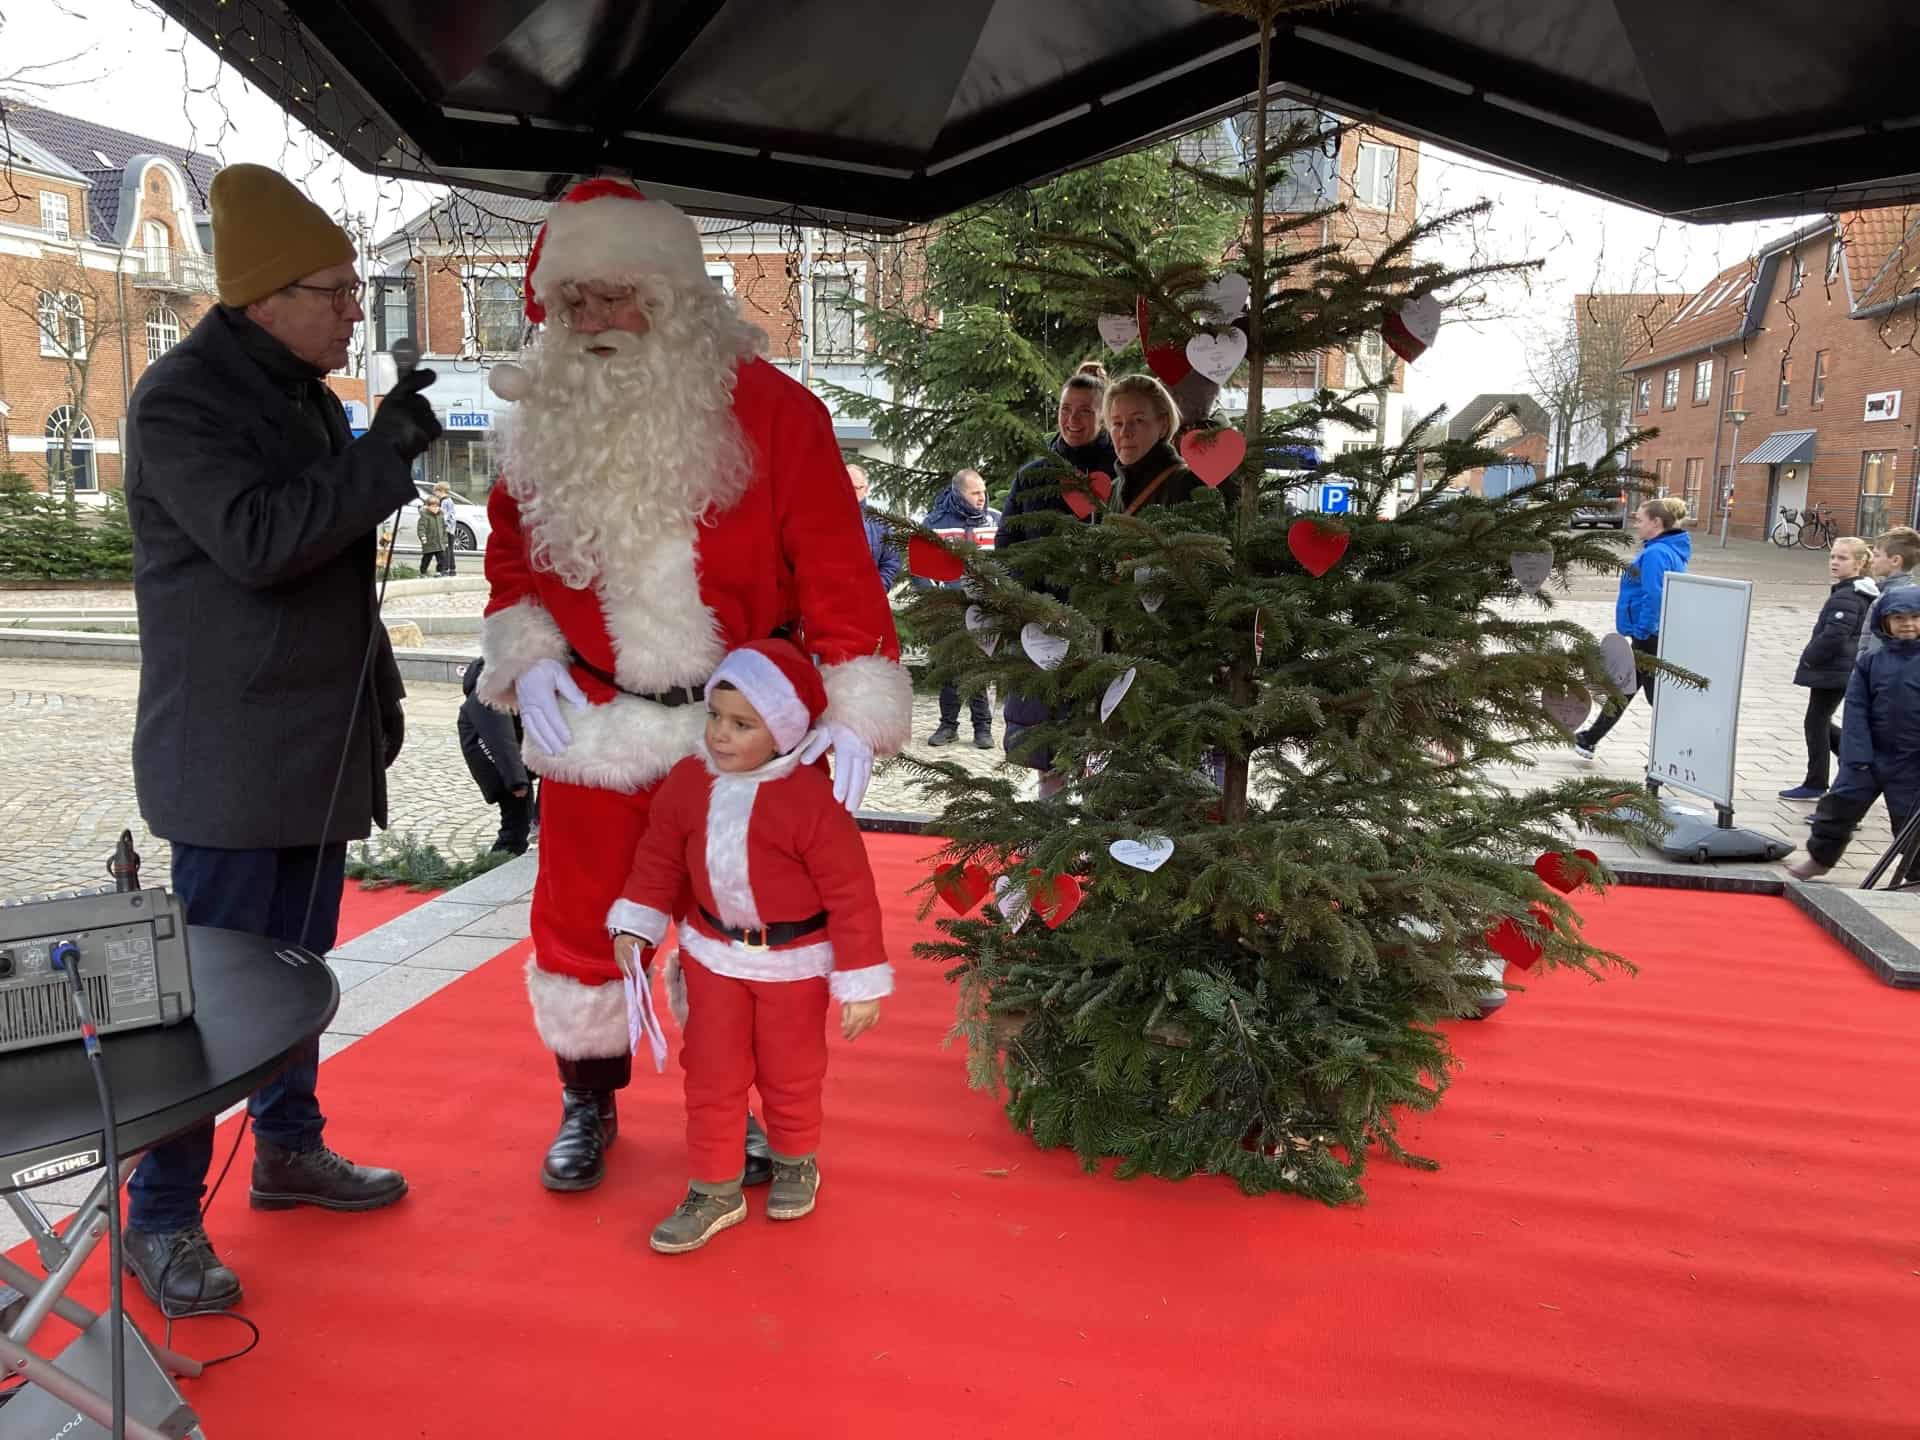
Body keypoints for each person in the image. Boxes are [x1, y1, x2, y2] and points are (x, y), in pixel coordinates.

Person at [474, 178, 910, 1193]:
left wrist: (852, 701)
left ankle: (753, 1110)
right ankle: (588, 1101)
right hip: (594, 724)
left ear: (674, 297)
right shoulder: (539, 421)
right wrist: (528, 654)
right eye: (572, 303)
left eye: (616, 298)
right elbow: (508, 560)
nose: (592, 324)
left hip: (738, 733)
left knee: (741, 930)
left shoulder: (775, 413)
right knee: (581, 921)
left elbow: (837, 565)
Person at [121, 163, 432, 1316]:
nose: (356, 307)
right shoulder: (182, 400)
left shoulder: (300, 391)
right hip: (232, 758)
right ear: (263, 296)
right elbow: (259, 541)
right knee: (210, 1001)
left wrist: (380, 692)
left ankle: (290, 1150)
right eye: (336, 289)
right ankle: (159, 1217)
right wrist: (381, 458)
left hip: (314, 741)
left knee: (295, 975)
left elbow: (329, 563)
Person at [608, 639, 890, 1253]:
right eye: (714, 716)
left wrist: (862, 979)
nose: (720, 735)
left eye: (742, 725)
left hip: (794, 965)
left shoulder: (812, 800)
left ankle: (794, 1159)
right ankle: (714, 1187)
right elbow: (658, 860)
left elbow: (851, 893)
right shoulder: (688, 782)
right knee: (711, 1071)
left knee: (791, 1070)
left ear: (785, 732)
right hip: (713, 955)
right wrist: (637, 924)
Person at [997, 364, 1118, 792]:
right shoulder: (1033, 474)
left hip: (1104, 628)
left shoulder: (1121, 472)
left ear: (1103, 416)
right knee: (1045, 735)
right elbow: (1006, 545)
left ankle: (1095, 830)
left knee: (1098, 733)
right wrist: (1027, 603)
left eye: (1085, 411)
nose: (1072, 420)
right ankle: (1049, 828)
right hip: (1041, 626)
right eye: (1066, 409)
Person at [1788, 587, 1920, 880]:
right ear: (1884, 622)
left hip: (1912, 761)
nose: (1907, 624)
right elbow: (1856, 709)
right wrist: (1855, 756)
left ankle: (1914, 874)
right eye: (1898, 618)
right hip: (1869, 757)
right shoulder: (1871, 662)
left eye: (1915, 617)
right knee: (1837, 808)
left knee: (1911, 819)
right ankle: (1820, 859)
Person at [1573, 497, 1691, 760]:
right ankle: (1589, 739)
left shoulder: (1656, 554)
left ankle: (1679, 754)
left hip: (1649, 635)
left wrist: (1641, 630)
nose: (1636, 524)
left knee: (1656, 699)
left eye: (1640, 519)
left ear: (1657, 522)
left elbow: (1654, 595)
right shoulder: (1668, 550)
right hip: (1653, 633)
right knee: (1626, 688)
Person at [1779, 536, 1878, 801]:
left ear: (1859, 563)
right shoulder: (1854, 591)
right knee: (1819, 721)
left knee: (1816, 722)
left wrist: (1810, 658)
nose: (1834, 562)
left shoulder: (1849, 595)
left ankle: (1818, 781)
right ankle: (1859, 765)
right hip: (1839, 669)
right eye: (1833, 556)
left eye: (1842, 558)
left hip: (1835, 670)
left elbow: (1835, 635)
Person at [915, 468, 1000, 748]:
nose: (981, 498)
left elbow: (1010, 561)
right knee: (949, 668)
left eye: (984, 492)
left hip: (984, 611)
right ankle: (948, 726)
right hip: (948, 611)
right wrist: (936, 600)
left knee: (977, 668)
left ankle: (982, 728)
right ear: (959, 493)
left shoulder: (996, 520)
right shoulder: (934, 523)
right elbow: (918, 567)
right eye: (975, 493)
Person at [459, 656, 536, 854]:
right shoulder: (490, 694)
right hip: (499, 765)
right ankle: (496, 867)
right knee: (515, 825)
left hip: (509, 762)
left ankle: (508, 858)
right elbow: (499, 739)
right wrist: (516, 781)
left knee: (520, 821)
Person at [1858, 526, 1920, 663]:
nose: (1872, 560)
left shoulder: (1889, 600)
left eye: (1877, 555)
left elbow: (1875, 647)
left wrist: (1864, 673)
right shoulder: (1911, 594)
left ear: (1895, 560)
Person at [849, 464, 902, 590]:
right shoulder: (823, 520)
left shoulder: (880, 523)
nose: (850, 491)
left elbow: (891, 563)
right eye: (846, 486)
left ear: (866, 489)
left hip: (867, 602)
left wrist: (875, 591)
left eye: (856, 488)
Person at [416, 480, 451, 576]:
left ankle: (439, 571)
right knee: (426, 558)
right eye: (433, 506)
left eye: (437, 506)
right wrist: (423, 537)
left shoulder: (440, 516)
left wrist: (445, 540)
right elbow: (421, 528)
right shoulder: (425, 516)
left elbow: (444, 528)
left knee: (442, 558)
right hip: (430, 543)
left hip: (439, 543)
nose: (435, 508)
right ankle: (422, 571)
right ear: (428, 507)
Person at [436, 483, 460, 576]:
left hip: (446, 529)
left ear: (441, 491)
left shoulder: (445, 501)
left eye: (436, 491)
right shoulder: (448, 500)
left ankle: (444, 569)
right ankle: (452, 568)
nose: (435, 494)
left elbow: (446, 516)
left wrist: (444, 527)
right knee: (449, 549)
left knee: (445, 549)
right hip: (450, 529)